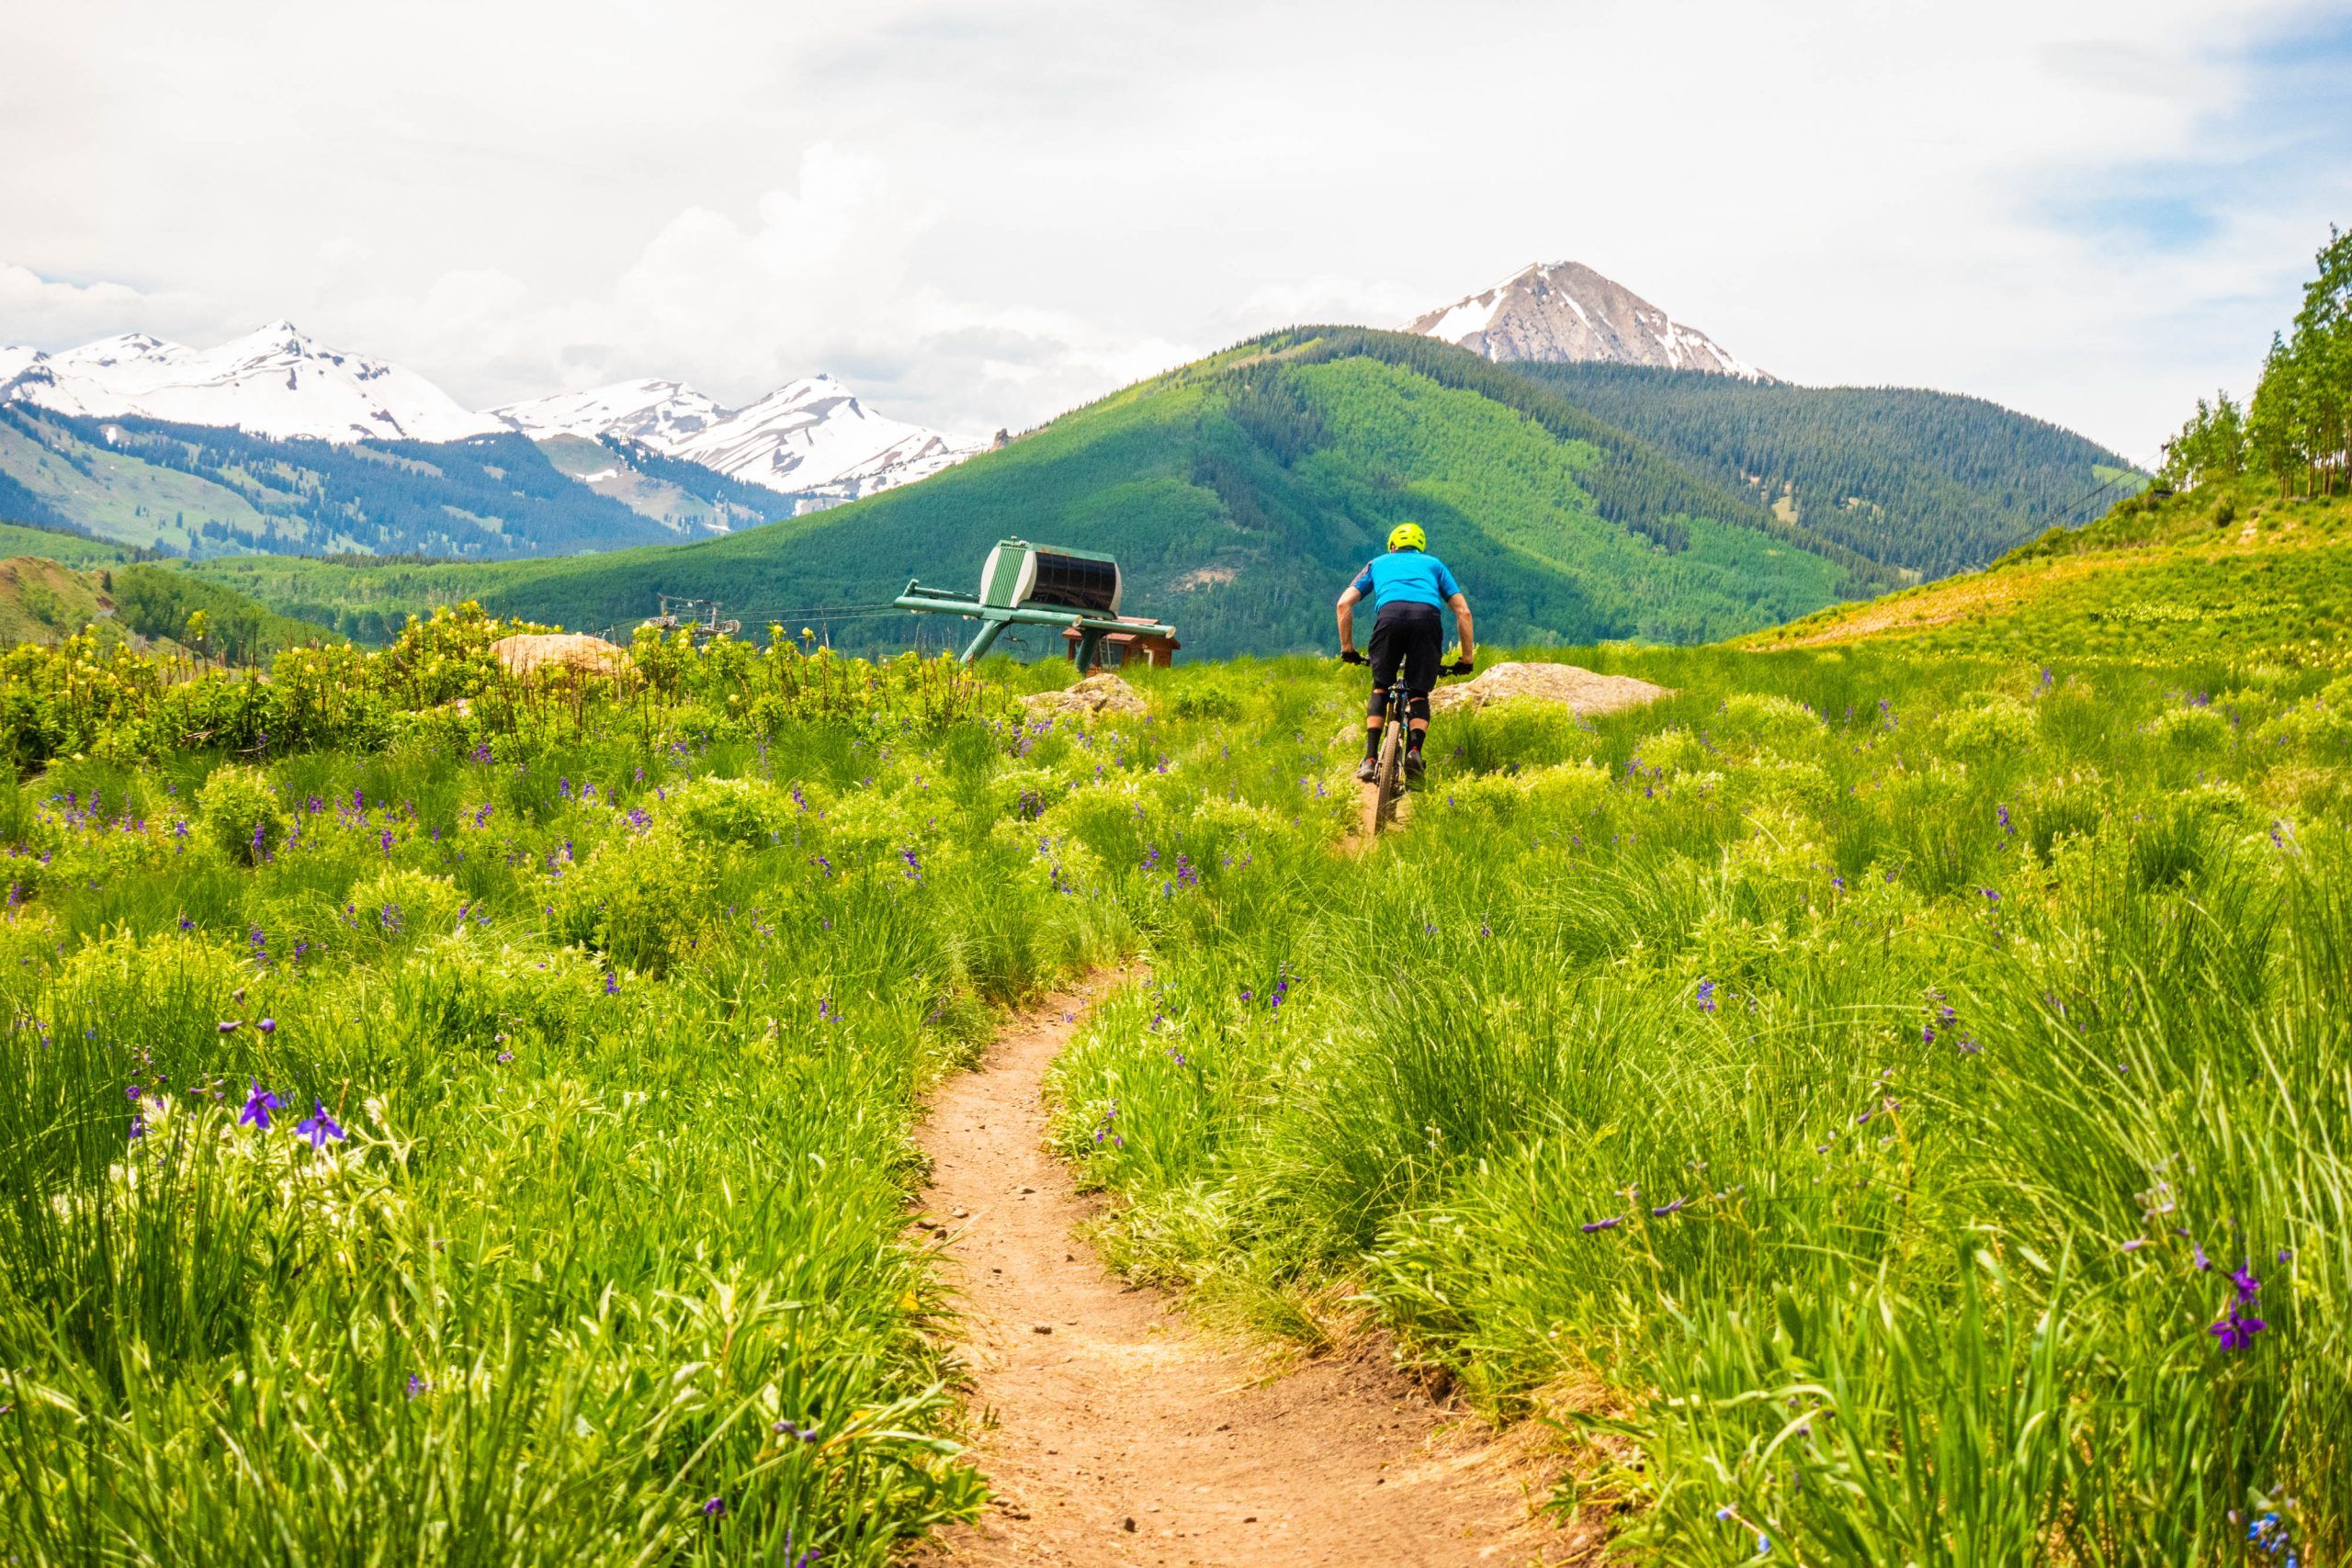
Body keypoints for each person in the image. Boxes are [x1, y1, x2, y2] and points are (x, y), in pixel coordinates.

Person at [1337, 522, 1474, 782]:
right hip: (1427, 621)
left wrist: (1348, 649)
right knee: (1419, 693)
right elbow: (1463, 612)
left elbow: (1343, 604)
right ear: (1420, 548)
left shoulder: (1377, 563)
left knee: (1380, 687)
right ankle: (1414, 752)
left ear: (1392, 546)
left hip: (1389, 619)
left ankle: (1369, 758)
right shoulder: (1435, 565)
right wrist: (1466, 658)